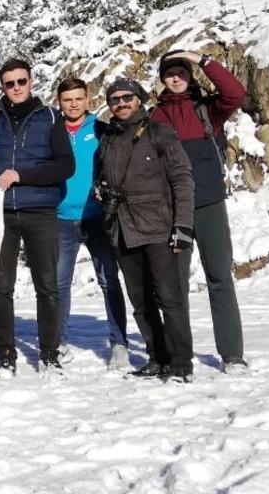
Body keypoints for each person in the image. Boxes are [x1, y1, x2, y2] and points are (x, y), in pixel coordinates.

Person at [0, 59, 75, 376]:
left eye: (21, 81)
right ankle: (5, 354)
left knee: (47, 287)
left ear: (31, 82)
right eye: (9, 83)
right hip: (0, 213)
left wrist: (22, 175)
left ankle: (49, 353)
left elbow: (65, 166)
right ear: (2, 86)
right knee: (1, 288)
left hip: (40, 210)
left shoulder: (50, 117)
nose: (15, 88)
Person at [151, 49, 249, 374]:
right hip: (172, 209)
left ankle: (232, 354)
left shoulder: (208, 110)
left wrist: (202, 59)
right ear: (162, 80)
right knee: (174, 286)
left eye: (181, 72)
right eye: (169, 74)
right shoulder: (156, 117)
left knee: (219, 277)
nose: (176, 78)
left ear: (190, 76)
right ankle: (180, 356)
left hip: (208, 204)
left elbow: (236, 92)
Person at [98, 78, 195, 383]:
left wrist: (183, 226)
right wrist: (99, 191)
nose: (121, 103)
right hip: (123, 229)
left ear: (139, 99)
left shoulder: (159, 133)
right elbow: (100, 178)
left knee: (170, 298)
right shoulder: (108, 138)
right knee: (140, 302)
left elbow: (182, 180)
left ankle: (181, 363)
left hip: (157, 227)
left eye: (127, 97)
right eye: (114, 100)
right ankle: (157, 357)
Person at [53, 78, 130, 370]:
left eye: (78, 98)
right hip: (61, 219)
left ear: (87, 99)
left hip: (98, 218)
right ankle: (58, 343)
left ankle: (119, 343)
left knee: (109, 281)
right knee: (59, 285)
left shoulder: (101, 129)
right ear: (59, 102)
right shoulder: (52, 131)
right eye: (67, 99)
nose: (73, 104)